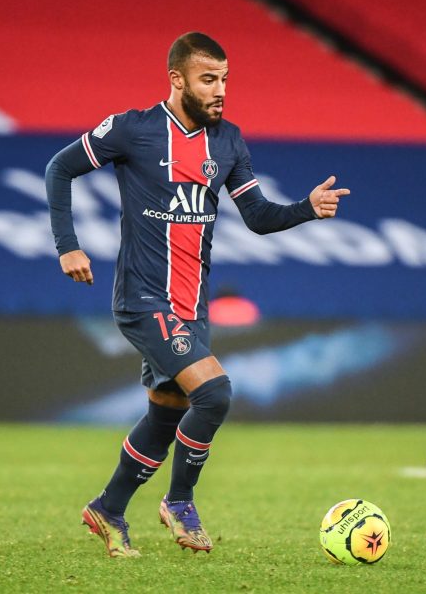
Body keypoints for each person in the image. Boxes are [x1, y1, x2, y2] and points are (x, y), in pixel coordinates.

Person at [45, 32, 350, 557]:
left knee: (167, 412)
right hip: (144, 299)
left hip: (192, 306)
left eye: (225, 79)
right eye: (209, 79)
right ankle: (179, 501)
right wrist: (68, 246)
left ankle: (108, 508)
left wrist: (305, 206)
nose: (220, 90)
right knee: (217, 393)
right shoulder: (133, 129)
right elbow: (59, 168)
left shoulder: (228, 141)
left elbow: (257, 217)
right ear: (177, 79)